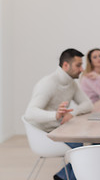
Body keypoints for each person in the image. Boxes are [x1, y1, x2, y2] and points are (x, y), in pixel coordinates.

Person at [24, 48, 93, 180]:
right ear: (66, 65)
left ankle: (63, 176)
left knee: (89, 145)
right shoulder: (48, 83)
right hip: (43, 135)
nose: (82, 69)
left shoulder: (71, 84)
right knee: (80, 147)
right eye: (78, 65)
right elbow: (30, 113)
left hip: (58, 130)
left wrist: (72, 113)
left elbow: (88, 104)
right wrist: (55, 115)